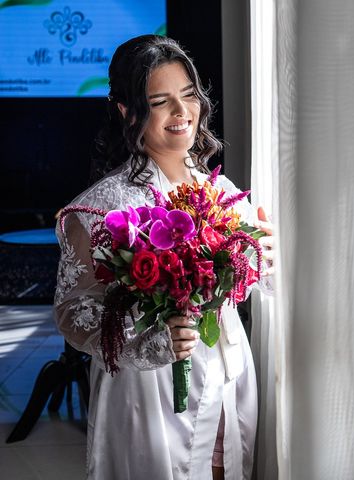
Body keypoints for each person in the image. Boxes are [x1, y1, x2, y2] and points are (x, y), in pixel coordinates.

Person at [54, 35, 273, 480]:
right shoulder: (102, 208)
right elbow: (72, 313)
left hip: (229, 373)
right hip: (148, 390)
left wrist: (262, 255)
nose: (181, 112)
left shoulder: (223, 192)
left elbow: (248, 283)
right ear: (128, 111)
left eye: (188, 95)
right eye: (160, 101)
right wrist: (147, 343)